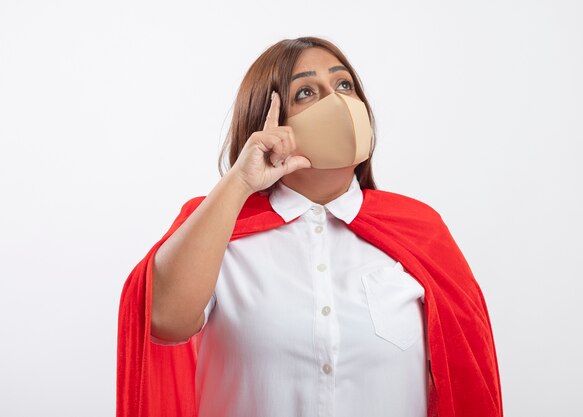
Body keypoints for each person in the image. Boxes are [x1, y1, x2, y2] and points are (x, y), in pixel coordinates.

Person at [117, 36, 503, 417]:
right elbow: (163, 321)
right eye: (306, 93)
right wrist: (239, 183)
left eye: (344, 85)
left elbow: (468, 378)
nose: (338, 102)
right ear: (268, 122)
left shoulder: (420, 229)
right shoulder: (218, 227)